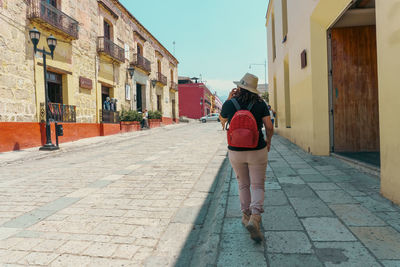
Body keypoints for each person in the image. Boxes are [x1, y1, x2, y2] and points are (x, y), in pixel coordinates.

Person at [220, 73, 274, 242]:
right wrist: (268, 140)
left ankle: (246, 216)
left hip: (235, 151)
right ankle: (255, 218)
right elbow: (269, 126)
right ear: (254, 89)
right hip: (257, 149)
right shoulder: (260, 103)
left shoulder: (230, 103)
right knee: (258, 184)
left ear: (240, 87)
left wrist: (229, 99)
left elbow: (222, 122)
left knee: (243, 184)